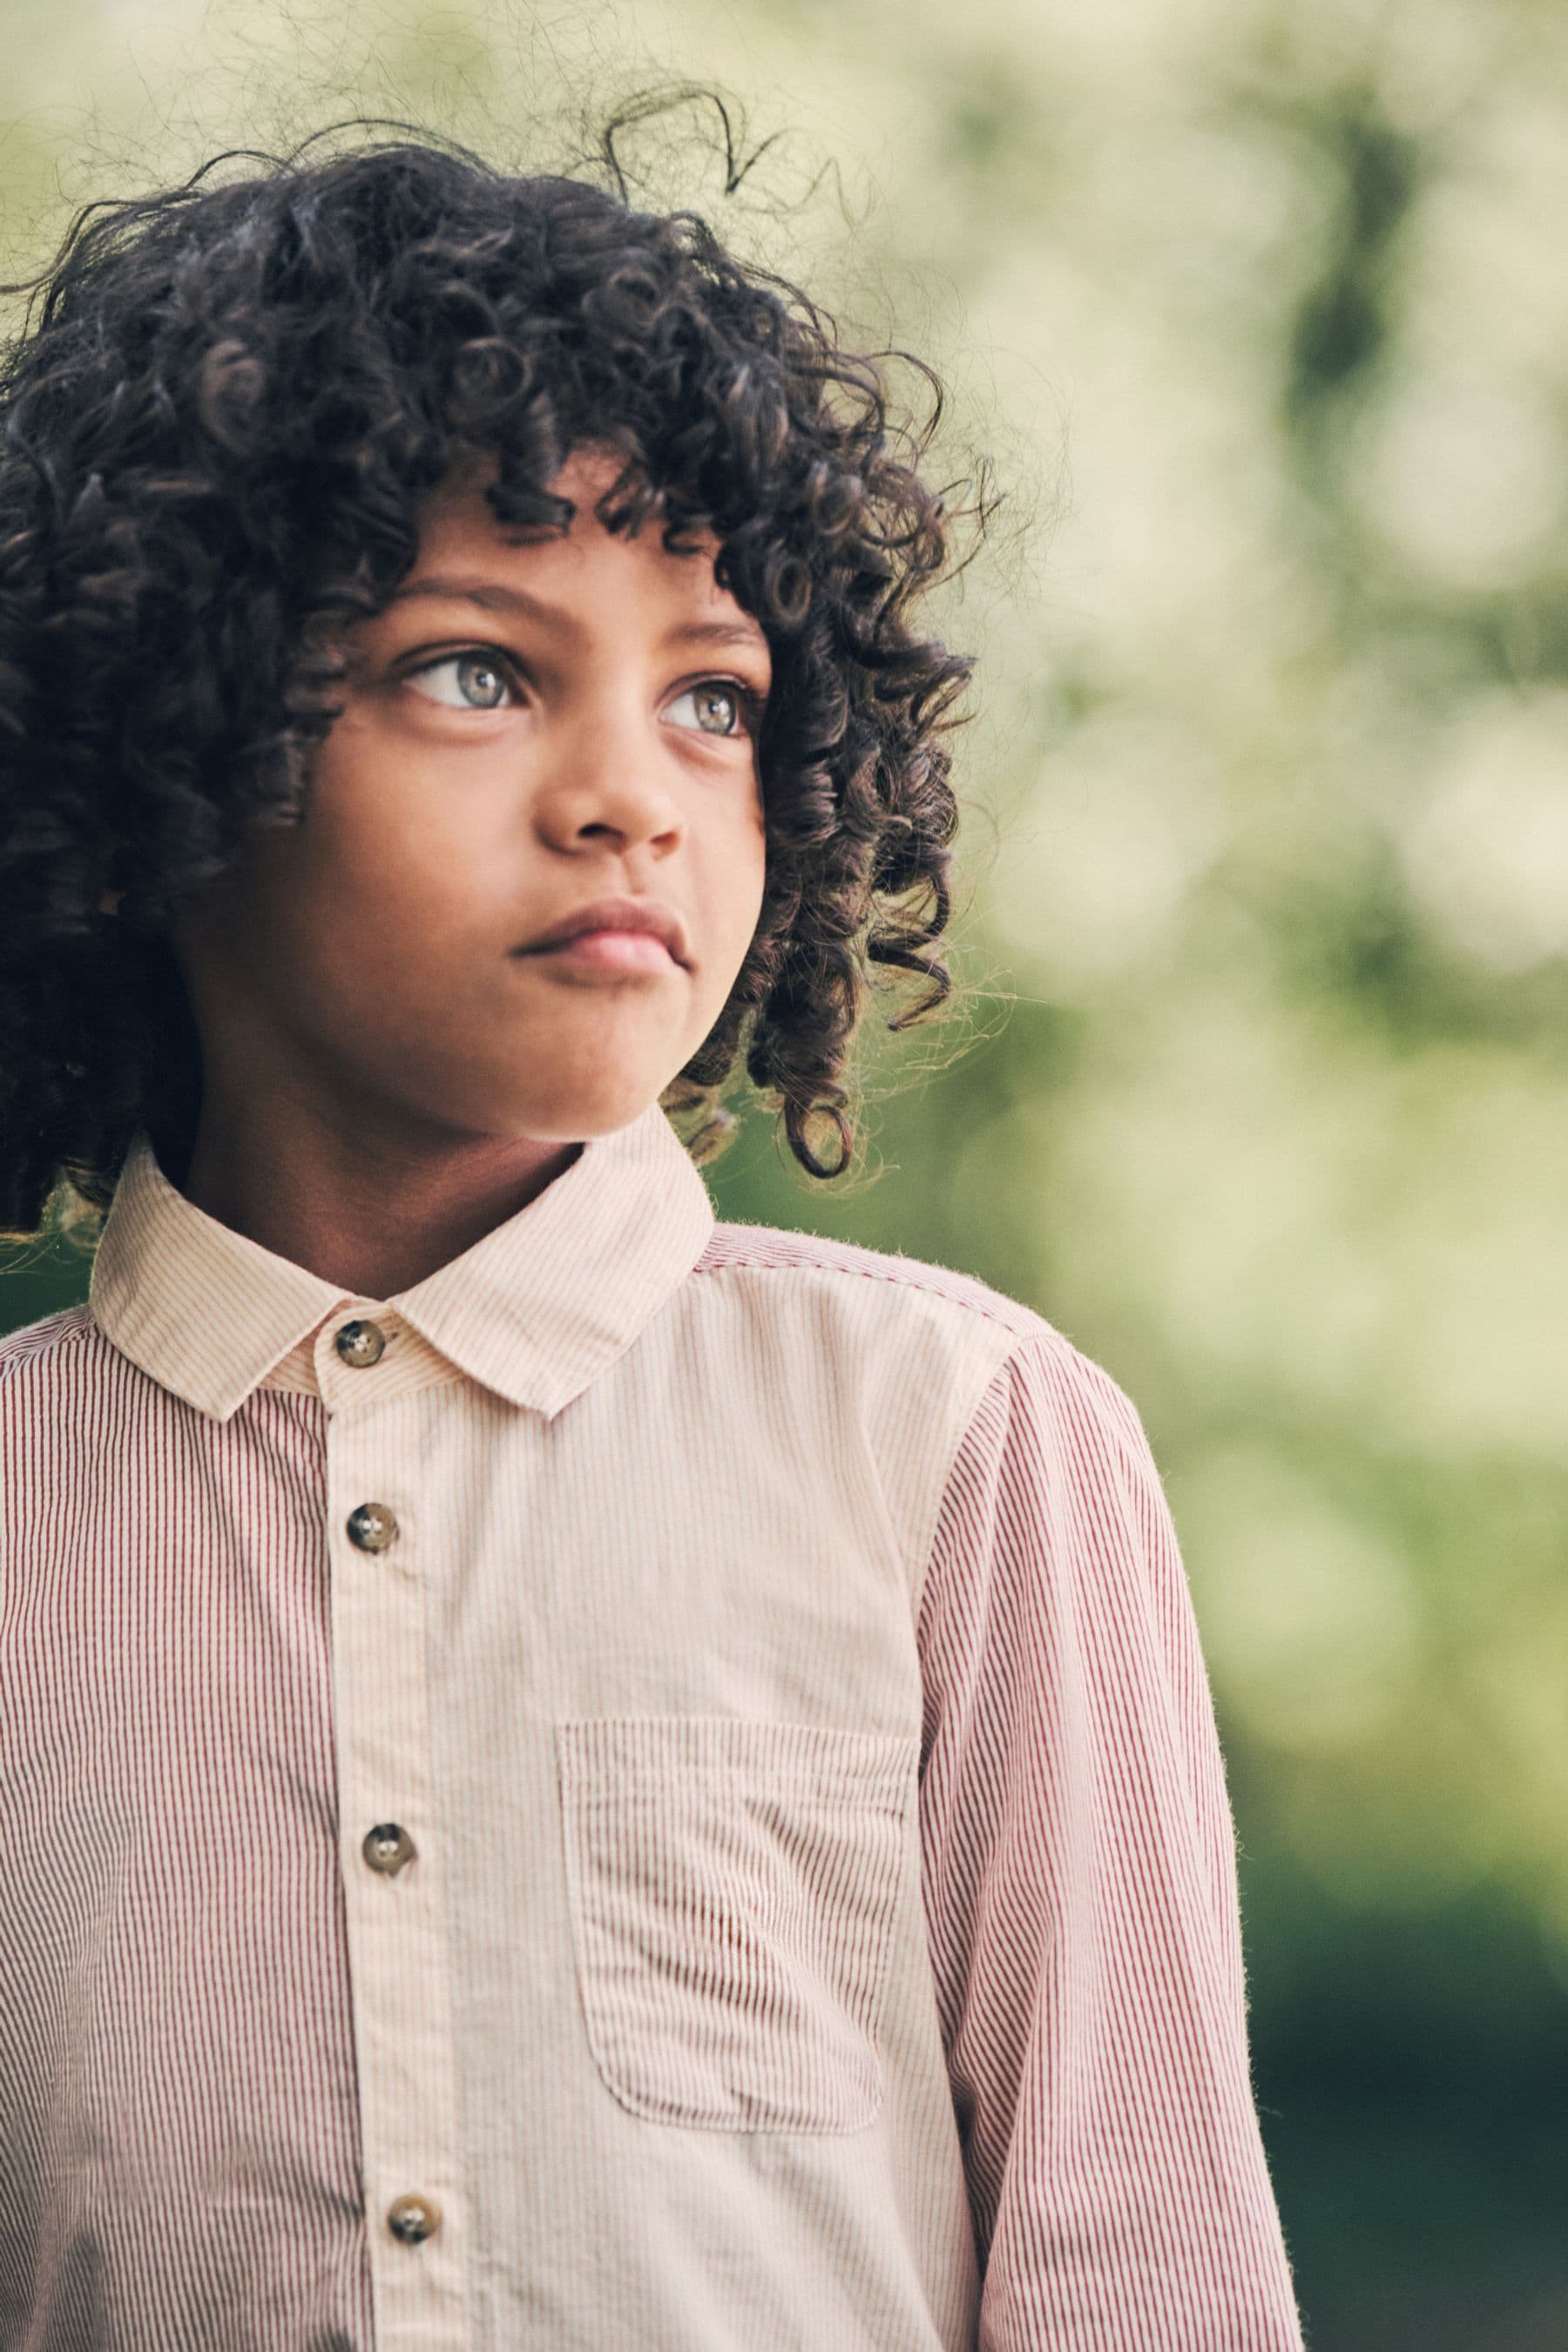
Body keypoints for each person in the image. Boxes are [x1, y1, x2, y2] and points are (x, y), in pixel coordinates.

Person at [0, 125, 1303, 2350]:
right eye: (478, 672)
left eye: (715, 695)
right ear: (153, 774)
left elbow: (1143, 2278)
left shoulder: (963, 1443)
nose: (635, 787)